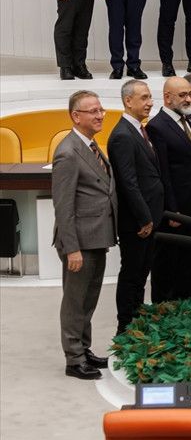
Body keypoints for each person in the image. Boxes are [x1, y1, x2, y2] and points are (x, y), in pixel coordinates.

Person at [52, 90, 117, 380]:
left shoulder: (90, 146)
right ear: (75, 116)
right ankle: (73, 358)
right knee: (75, 301)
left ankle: (84, 348)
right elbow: (63, 207)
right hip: (78, 242)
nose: (100, 115)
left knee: (88, 298)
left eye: (100, 109)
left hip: (97, 238)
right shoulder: (67, 152)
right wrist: (71, 248)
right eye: (93, 111)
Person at [145, 76, 191, 302]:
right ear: (167, 97)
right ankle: (166, 308)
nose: (188, 99)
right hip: (177, 209)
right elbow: (163, 173)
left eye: (188, 94)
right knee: (170, 264)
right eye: (182, 95)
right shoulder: (157, 126)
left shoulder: (189, 119)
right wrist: (172, 210)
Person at [108, 79, 165, 333]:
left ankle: (138, 320)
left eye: (150, 97)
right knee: (132, 274)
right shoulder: (122, 135)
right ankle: (126, 326)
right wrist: (144, 218)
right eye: (143, 98)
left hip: (150, 217)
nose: (150, 102)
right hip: (138, 222)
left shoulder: (139, 130)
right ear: (128, 101)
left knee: (141, 274)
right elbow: (128, 183)